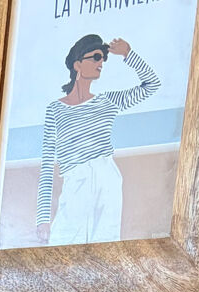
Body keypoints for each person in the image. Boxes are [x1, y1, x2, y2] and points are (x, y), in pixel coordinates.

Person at [37, 34, 160, 246]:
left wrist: (128, 54)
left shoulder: (107, 102)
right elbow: (47, 164)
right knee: (62, 248)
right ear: (77, 64)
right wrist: (43, 218)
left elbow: (152, 84)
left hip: (106, 178)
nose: (100, 62)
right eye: (95, 57)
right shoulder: (55, 110)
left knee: (105, 249)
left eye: (103, 57)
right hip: (75, 181)